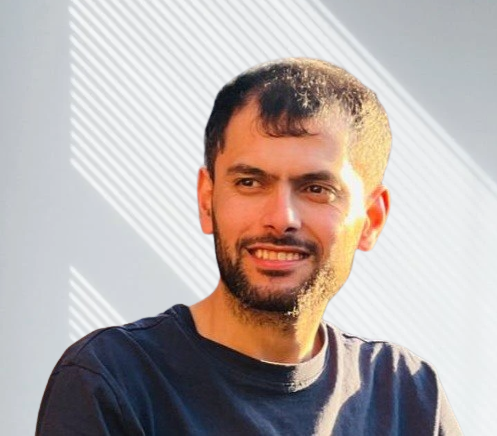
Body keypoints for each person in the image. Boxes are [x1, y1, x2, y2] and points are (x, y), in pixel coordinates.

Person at [36, 58, 462, 435]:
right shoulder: (113, 379)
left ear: (371, 219)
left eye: (316, 188)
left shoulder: (407, 395)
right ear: (207, 201)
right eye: (249, 182)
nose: (281, 218)